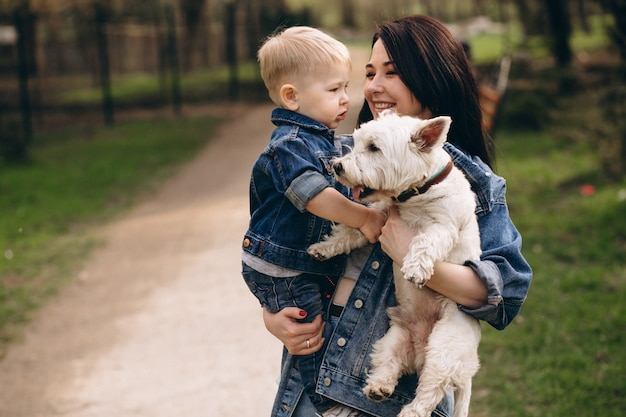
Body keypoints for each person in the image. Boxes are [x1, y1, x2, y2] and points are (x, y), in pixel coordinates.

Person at [261, 15, 533, 417]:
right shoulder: (344, 162)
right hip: (309, 383)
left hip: (391, 401)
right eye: (369, 73)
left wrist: (412, 256)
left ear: (432, 78)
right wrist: (274, 315)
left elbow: (503, 294)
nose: (372, 86)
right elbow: (287, 247)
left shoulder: (473, 183)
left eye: (391, 72)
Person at [241, 26, 387, 414]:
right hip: (282, 265)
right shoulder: (290, 145)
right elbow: (315, 196)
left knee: (313, 324)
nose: (346, 99)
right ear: (292, 96)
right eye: (334, 89)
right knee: (311, 334)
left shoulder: (324, 140)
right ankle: (326, 402)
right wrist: (365, 218)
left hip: (298, 262)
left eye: (346, 87)